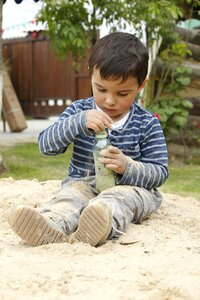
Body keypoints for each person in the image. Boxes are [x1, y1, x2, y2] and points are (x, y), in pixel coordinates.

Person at [8, 32, 168, 247]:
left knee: (116, 201)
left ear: (141, 86)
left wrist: (127, 166)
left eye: (122, 94)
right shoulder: (79, 112)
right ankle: (52, 224)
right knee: (70, 198)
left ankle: (100, 225)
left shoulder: (146, 123)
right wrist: (77, 122)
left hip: (130, 188)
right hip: (83, 183)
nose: (110, 101)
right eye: (101, 89)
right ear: (91, 75)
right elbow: (45, 146)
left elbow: (159, 172)